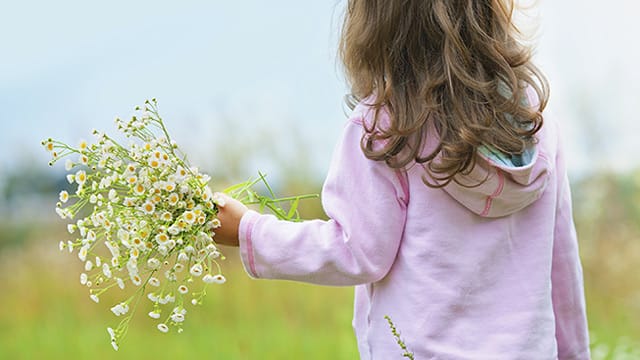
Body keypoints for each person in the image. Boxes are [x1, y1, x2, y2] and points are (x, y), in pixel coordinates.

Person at [214, 0, 590, 358]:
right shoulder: (534, 126)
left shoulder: (385, 127)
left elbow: (357, 252)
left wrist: (249, 231)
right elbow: (562, 264)